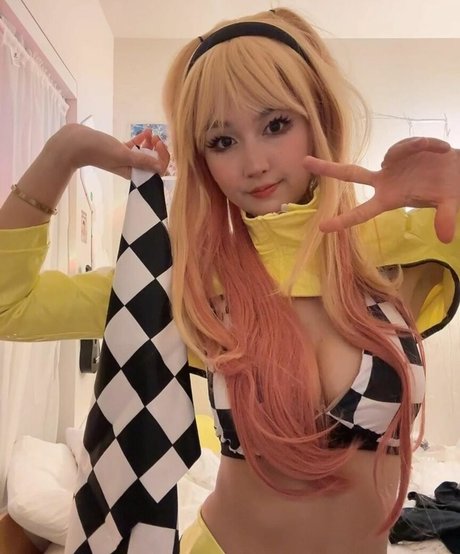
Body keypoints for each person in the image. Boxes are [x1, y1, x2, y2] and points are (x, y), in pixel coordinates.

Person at [1, 6, 460, 554]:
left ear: (319, 117)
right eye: (222, 141)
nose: (254, 163)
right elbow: (12, 306)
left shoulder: (401, 242)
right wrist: (64, 151)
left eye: (275, 125)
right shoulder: (186, 281)